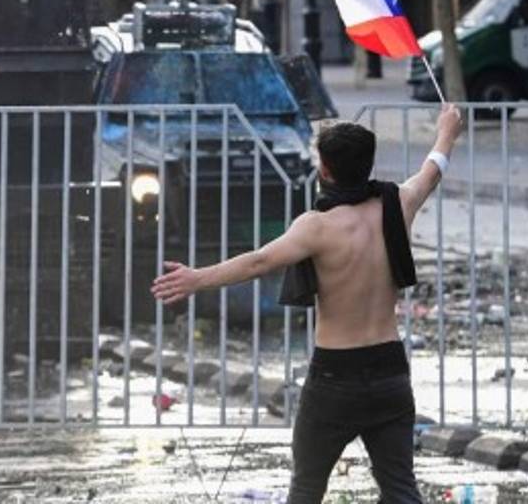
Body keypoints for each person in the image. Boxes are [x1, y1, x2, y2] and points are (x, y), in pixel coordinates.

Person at [152, 103, 464, 503]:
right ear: (367, 165)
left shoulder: (317, 227)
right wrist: (447, 132)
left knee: (306, 488)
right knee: (401, 489)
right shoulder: (397, 204)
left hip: (335, 377)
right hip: (389, 370)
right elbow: (431, 172)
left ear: (326, 172)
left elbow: (260, 261)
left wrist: (197, 279)